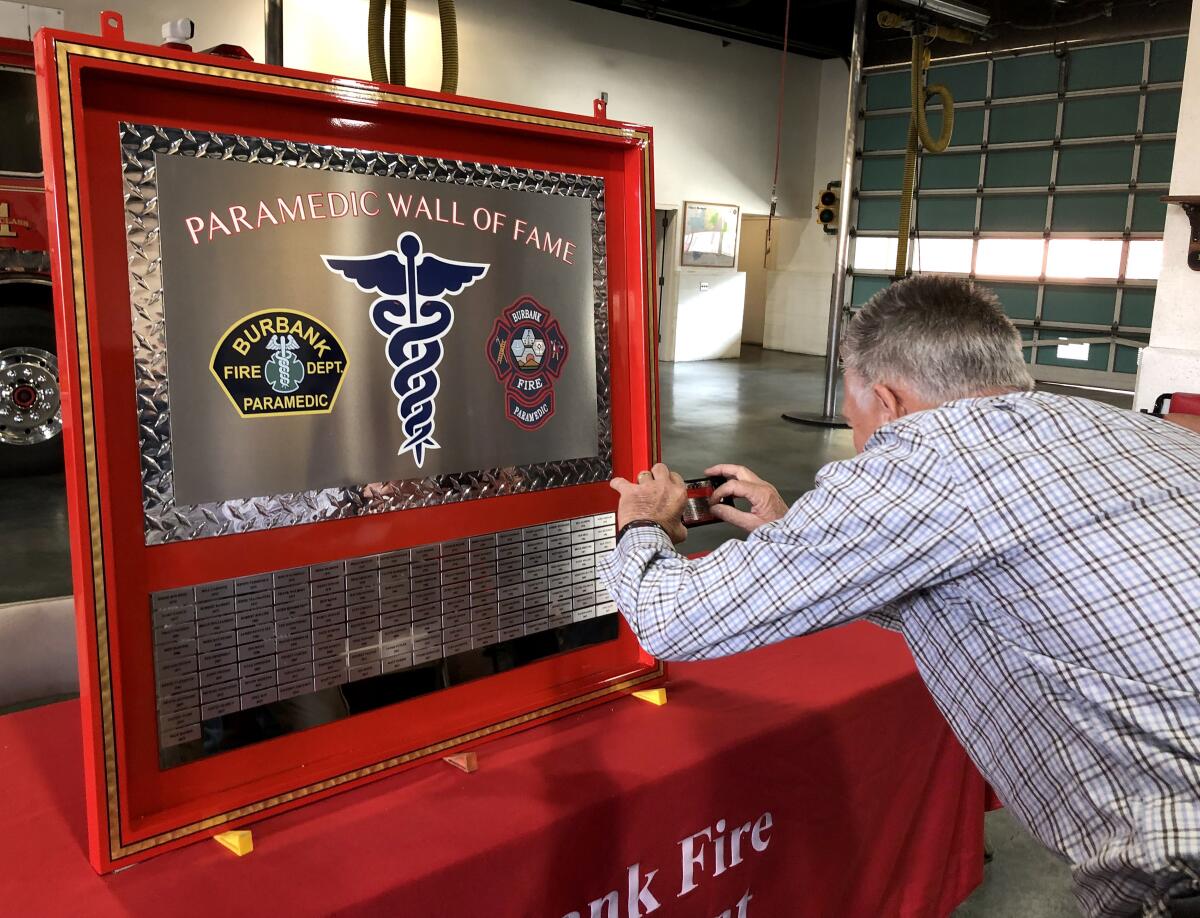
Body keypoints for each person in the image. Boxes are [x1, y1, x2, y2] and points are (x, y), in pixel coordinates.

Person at [596, 274, 1200, 918]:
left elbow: (671, 620)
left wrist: (642, 522)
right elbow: (973, 577)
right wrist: (788, 530)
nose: (862, 445)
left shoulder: (923, 458)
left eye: (858, 423)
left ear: (888, 402)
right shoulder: (1136, 433)